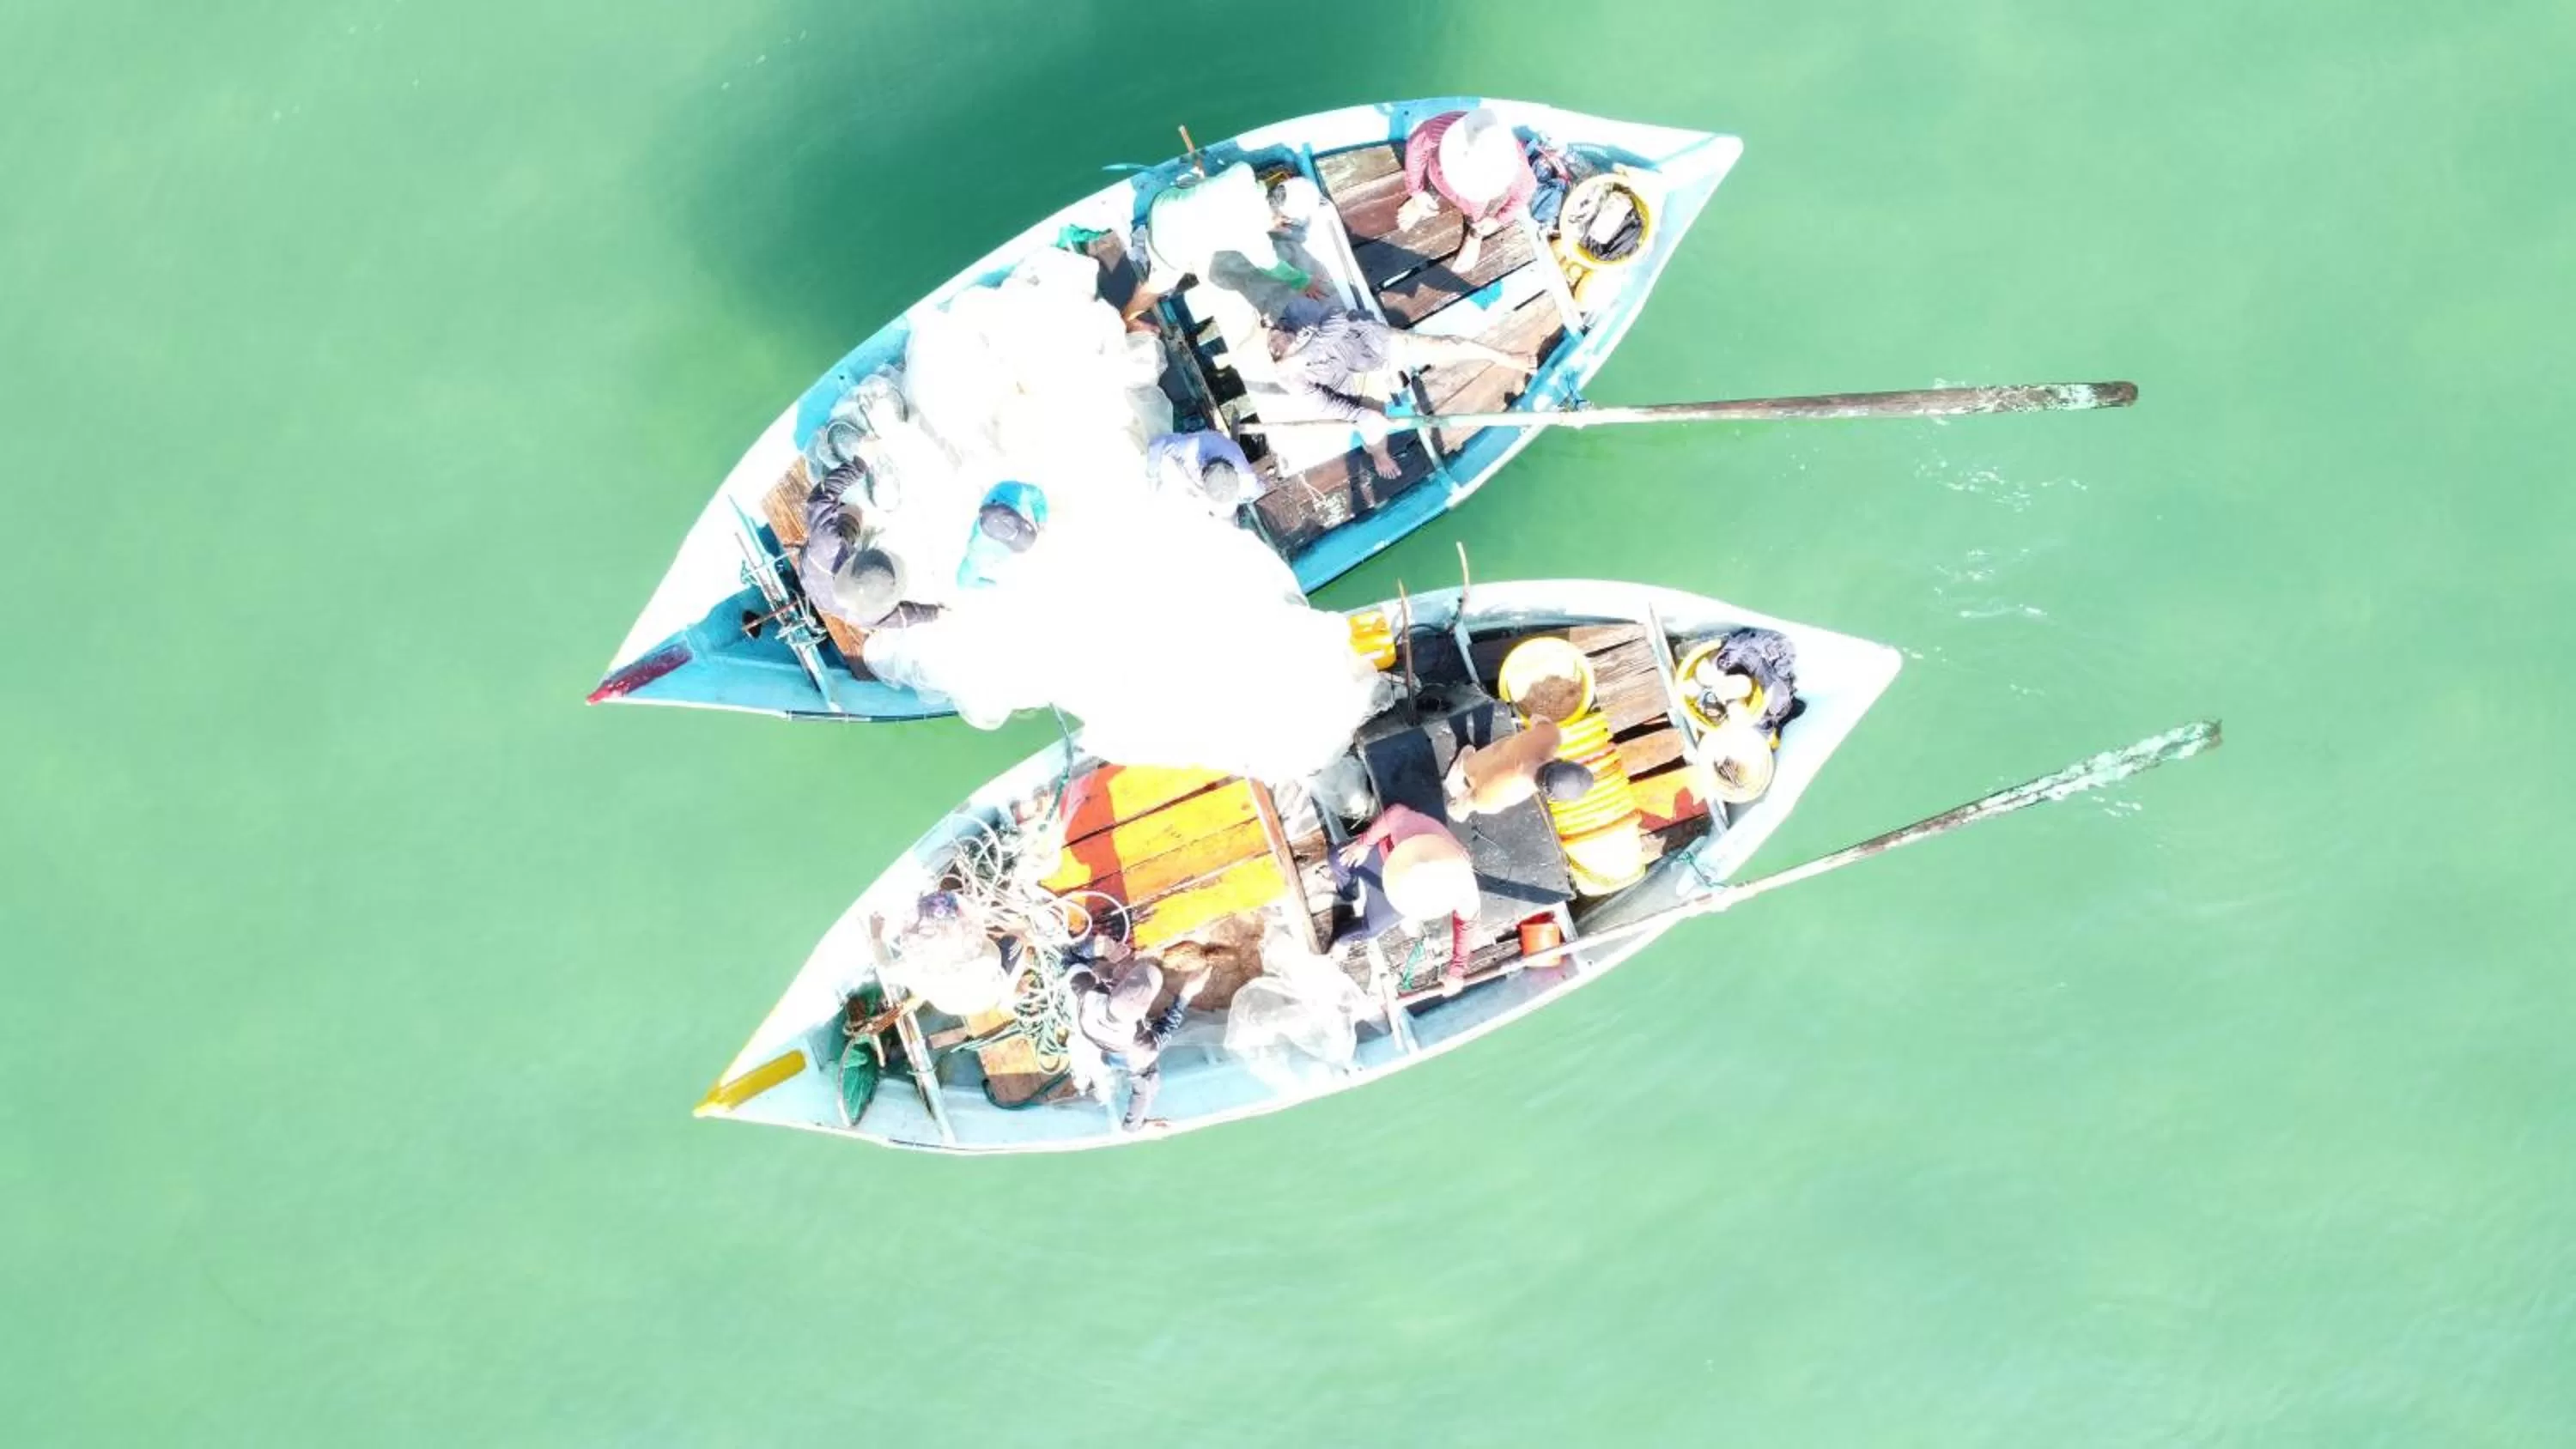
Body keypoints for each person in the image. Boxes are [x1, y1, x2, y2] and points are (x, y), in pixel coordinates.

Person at [1263, 296, 1537, 478]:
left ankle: (1504, 357)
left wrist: (1304, 354)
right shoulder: (1289, 376)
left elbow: (1338, 319)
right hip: (1356, 379)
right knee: (1373, 425)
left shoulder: (1296, 312)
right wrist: (1361, 415)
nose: (1279, 346)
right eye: (1278, 354)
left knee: (1447, 344)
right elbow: (1322, 403)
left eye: (1277, 338)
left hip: (1372, 342)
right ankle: (1380, 455)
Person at [1124, 164, 1330, 330]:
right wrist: (1303, 281)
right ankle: (1128, 318)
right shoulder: (1254, 239)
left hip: (1163, 203)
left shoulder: (1243, 172)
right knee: (1156, 287)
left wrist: (1270, 222)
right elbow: (1273, 265)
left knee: (1198, 189)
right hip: (1167, 245)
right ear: (1286, 218)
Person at [1333, 802, 1482, 990]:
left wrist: (1456, 972)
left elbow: (1467, 924)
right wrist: (1364, 844)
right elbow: (1396, 814)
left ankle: (1343, 939)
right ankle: (1347, 892)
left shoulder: (1464, 888)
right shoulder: (1415, 828)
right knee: (1337, 859)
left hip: (1405, 896)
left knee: (1372, 928)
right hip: (1390, 856)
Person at [795, 458, 942, 630]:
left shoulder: (825, 544)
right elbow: (901, 617)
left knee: (853, 512)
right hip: (822, 596)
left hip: (814, 580)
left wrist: (860, 462)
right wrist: (936, 614)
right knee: (855, 514)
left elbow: (819, 499)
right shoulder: (865, 617)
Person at [1069, 955, 1210, 1131]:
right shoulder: (1142, 1048)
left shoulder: (1089, 992)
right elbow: (1168, 1025)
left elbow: (1074, 965)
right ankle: (1132, 1126)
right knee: (1149, 1082)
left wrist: (1109, 968)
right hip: (1120, 1055)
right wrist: (1187, 993)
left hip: (1091, 1031)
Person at [1395, 108, 1538, 274]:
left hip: (1476, 207)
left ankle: (1474, 236)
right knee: (1431, 182)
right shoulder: (1449, 127)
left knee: (1476, 215)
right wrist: (1417, 192)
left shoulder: (1518, 172)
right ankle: (1422, 198)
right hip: (1436, 174)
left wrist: (1498, 220)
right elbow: (1416, 146)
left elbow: (1526, 191)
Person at [1443, 716, 1597, 817]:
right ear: (1549, 796)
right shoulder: (1504, 795)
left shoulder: (1551, 735)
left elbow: (1535, 717)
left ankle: (1464, 750)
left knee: (1468, 753)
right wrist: (1457, 809)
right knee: (1458, 808)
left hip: (1471, 762)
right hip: (1467, 780)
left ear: (1563, 761)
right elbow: (1472, 801)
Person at [1145, 429, 1263, 516]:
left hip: (1224, 446)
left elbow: (1260, 490)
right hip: (1207, 442)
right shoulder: (1193, 449)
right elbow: (1157, 444)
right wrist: (1153, 476)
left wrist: (1241, 501)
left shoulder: (1248, 481)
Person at [955, 481, 1046, 590]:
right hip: (989, 524)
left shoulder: (1018, 492)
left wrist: (1041, 519)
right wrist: (992, 586)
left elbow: (1038, 496)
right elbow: (962, 583)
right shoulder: (979, 548)